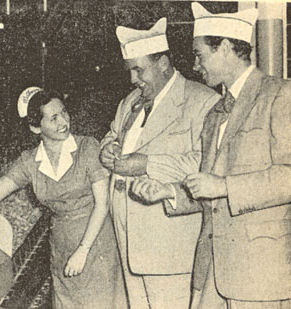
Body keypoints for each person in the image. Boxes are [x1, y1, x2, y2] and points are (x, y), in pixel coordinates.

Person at [131, 3, 291, 309]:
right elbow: (209, 189)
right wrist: (169, 191)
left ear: (227, 48)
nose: (194, 65)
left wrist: (225, 186)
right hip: (212, 272)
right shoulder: (215, 113)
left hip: (261, 275)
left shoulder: (280, 95)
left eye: (200, 54)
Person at [99, 17, 220, 308]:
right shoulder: (131, 101)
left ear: (163, 63)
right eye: (130, 71)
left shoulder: (201, 101)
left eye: (139, 70)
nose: (133, 79)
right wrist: (107, 149)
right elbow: (112, 133)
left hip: (169, 248)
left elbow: (206, 161)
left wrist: (147, 164)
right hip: (128, 242)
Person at [0, 87, 126, 308]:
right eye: (54, 118)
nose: (64, 122)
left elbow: (102, 203)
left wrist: (83, 250)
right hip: (62, 247)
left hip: (96, 243)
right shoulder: (30, 161)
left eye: (64, 112)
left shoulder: (87, 147)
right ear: (35, 127)